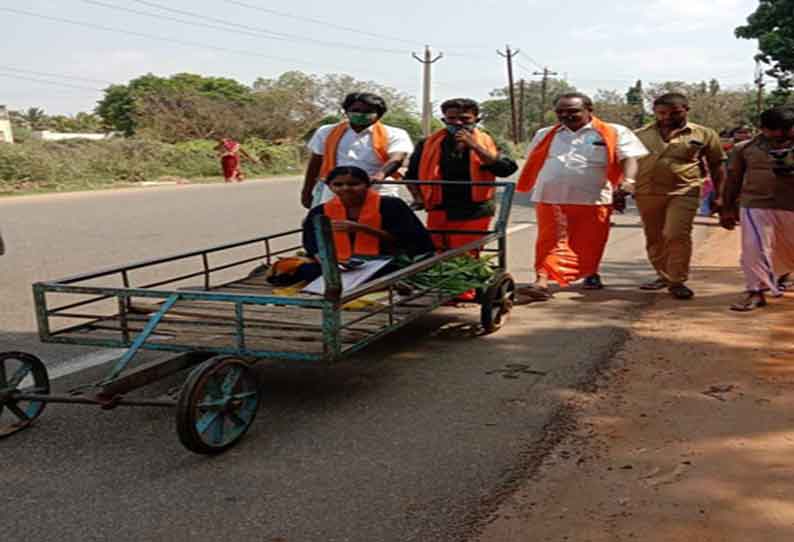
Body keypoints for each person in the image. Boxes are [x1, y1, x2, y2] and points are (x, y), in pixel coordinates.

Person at [515, 92, 648, 300]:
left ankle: (590, 272)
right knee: (549, 240)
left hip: (594, 197)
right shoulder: (545, 133)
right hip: (551, 195)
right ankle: (541, 280)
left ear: (589, 110)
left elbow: (629, 158)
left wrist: (628, 182)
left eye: (572, 111)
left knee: (590, 241)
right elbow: (535, 159)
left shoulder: (614, 131)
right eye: (560, 112)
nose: (566, 116)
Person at [634, 93, 727, 299]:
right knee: (655, 237)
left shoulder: (704, 134)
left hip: (685, 191)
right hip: (647, 192)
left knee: (676, 234)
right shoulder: (640, 135)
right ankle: (664, 275)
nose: (667, 117)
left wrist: (720, 196)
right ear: (655, 112)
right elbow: (626, 162)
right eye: (661, 113)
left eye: (674, 112)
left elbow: (717, 165)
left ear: (686, 109)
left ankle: (677, 280)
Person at [404, 98, 518, 253]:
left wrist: (474, 146)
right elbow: (411, 175)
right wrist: (418, 198)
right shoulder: (428, 143)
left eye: (464, 119)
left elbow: (506, 169)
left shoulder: (487, 141)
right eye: (451, 119)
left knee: (465, 257)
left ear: (476, 120)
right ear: (444, 119)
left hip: (474, 210)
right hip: (439, 208)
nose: (457, 123)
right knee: (435, 255)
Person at [301, 166, 434, 280]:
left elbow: (412, 240)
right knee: (298, 270)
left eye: (354, 184)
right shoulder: (320, 211)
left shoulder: (392, 205)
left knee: (388, 272)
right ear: (329, 187)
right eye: (338, 185)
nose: (346, 188)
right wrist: (327, 264)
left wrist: (364, 229)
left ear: (367, 185)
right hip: (338, 262)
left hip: (383, 260)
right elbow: (311, 243)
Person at [720, 107, 794, 311]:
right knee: (754, 248)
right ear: (762, 128)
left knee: (787, 251)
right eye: (773, 130)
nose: (779, 135)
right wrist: (726, 208)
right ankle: (755, 291)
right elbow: (733, 179)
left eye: (786, 130)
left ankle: (781, 276)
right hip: (756, 204)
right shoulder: (744, 149)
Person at [302, 93, 414, 208]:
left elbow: (397, 157)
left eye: (367, 111)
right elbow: (315, 162)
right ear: (346, 111)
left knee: (378, 223)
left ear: (379, 114)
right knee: (333, 223)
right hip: (335, 190)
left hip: (378, 189)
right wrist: (307, 192)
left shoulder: (395, 134)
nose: (361, 114)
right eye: (355, 110)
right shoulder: (326, 132)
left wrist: (380, 175)